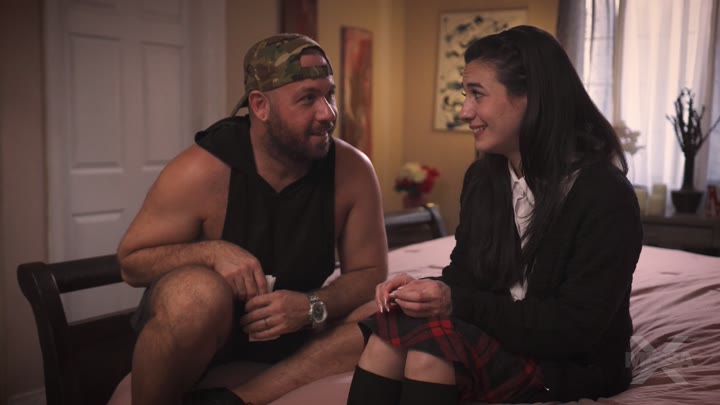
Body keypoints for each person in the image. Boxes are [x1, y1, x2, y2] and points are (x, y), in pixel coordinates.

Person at [347, 25, 643, 405]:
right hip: (508, 335)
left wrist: (455, 301)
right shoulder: (484, 178)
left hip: (574, 361)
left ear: (531, 97)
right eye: (465, 95)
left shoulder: (604, 194)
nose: (465, 111)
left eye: (477, 94)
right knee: (387, 335)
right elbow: (467, 278)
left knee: (428, 354)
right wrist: (423, 291)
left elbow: (575, 329)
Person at [117, 33, 388, 405]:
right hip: (206, 338)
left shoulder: (353, 170)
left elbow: (370, 273)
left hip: (295, 338)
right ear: (260, 106)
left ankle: (240, 399)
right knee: (198, 294)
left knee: (391, 310)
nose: (328, 113)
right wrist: (212, 253)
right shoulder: (201, 170)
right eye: (308, 98)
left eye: (330, 94)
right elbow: (131, 264)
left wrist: (311, 305)